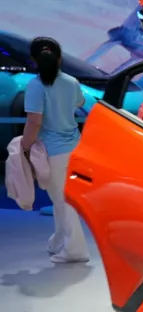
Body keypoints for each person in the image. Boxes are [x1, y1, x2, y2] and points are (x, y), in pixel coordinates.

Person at [21, 37, 90, 264]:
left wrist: (25, 148)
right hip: (75, 147)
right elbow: (80, 104)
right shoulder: (71, 81)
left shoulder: (35, 86)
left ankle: (75, 249)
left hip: (53, 152)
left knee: (62, 201)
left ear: (34, 60)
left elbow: (34, 122)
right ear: (59, 58)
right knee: (62, 198)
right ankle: (59, 240)